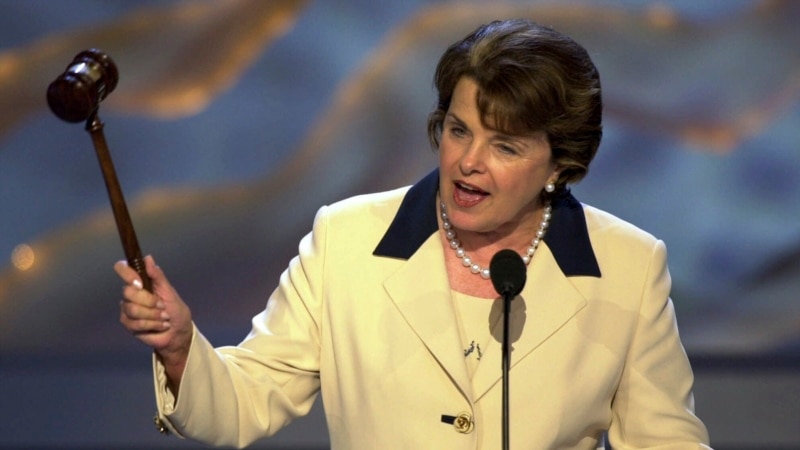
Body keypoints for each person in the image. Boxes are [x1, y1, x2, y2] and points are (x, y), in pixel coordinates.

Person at [116, 18, 711, 449]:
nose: (468, 161)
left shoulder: (628, 266)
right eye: (459, 129)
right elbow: (246, 400)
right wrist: (181, 348)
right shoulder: (346, 240)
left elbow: (665, 441)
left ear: (560, 164)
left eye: (504, 146)